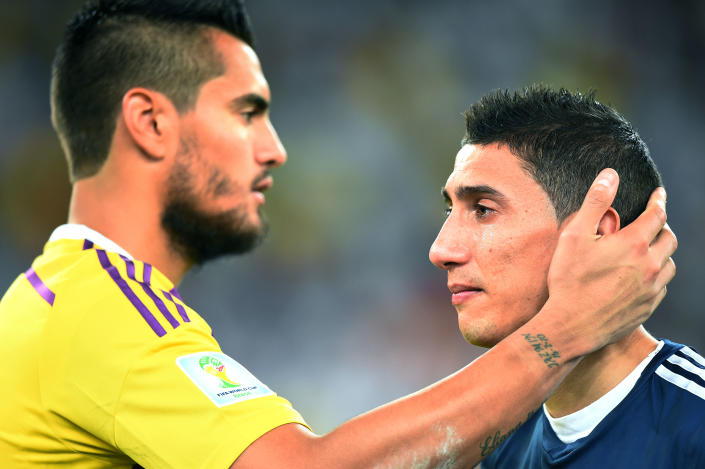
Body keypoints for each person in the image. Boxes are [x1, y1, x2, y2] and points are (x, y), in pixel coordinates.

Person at [0, 2, 676, 468]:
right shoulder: (103, 313)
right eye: (246, 112)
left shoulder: (54, 299)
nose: (273, 149)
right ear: (149, 122)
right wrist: (560, 331)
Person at [429, 85, 703, 468]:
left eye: (483, 209)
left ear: (599, 232)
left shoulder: (695, 427)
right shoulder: (497, 447)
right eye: (450, 211)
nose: (440, 251)